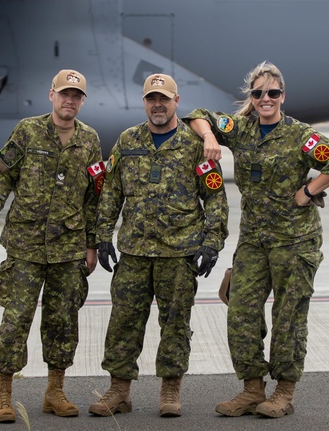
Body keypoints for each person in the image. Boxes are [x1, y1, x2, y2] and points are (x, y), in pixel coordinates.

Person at [184, 61, 329, 418]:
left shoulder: (300, 136)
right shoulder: (240, 129)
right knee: (241, 312)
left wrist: (308, 190)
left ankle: (284, 393)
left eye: (272, 93)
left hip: (295, 242)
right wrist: (211, 137)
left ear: (282, 96)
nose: (265, 99)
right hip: (254, 242)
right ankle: (251, 389)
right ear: (252, 96)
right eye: (258, 93)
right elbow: (198, 114)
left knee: (288, 317)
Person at [88, 73, 229, 418]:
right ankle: (119, 390)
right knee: (123, 322)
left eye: (164, 99)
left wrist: (212, 242)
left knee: (176, 323)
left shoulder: (194, 145)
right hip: (134, 252)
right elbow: (111, 192)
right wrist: (102, 234)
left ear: (176, 102)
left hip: (178, 252)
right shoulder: (128, 140)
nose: (158, 105)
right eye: (152, 99)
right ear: (144, 102)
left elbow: (215, 197)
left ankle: (170, 389)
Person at [0, 69, 104, 423]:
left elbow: (94, 197)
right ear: (51, 95)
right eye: (64, 94)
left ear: (82, 101)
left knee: (63, 322)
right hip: (26, 245)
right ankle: (3, 394)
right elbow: (2, 177)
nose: (69, 101)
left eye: (76, 96)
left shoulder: (90, 139)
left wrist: (91, 245)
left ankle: (55, 391)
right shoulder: (28, 130)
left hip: (68, 248)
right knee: (15, 321)